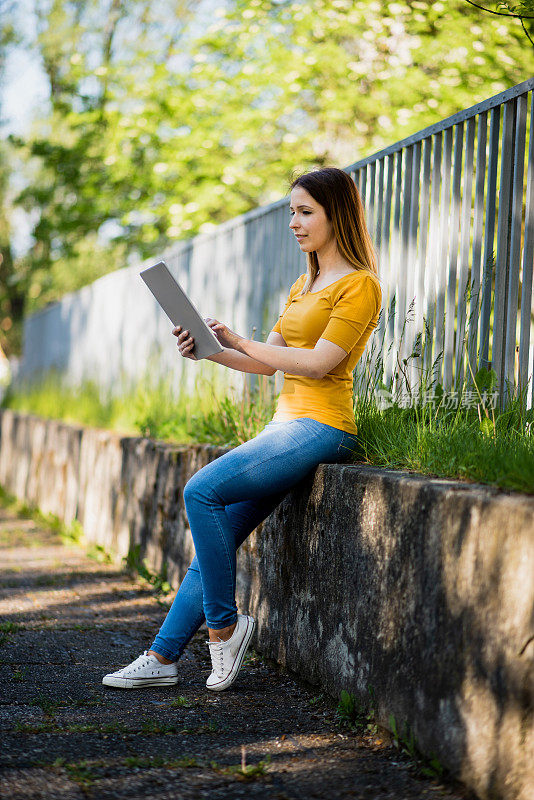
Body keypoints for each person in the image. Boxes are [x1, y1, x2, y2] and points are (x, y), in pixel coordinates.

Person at [102, 166, 382, 692]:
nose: (294, 223)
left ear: (336, 215)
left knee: (201, 489)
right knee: (220, 534)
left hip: (323, 426)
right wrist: (213, 349)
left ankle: (225, 628)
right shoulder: (307, 283)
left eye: (306, 212)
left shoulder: (360, 286)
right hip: (285, 429)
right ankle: (163, 659)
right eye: (291, 212)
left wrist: (245, 341)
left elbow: (320, 363)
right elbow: (263, 364)